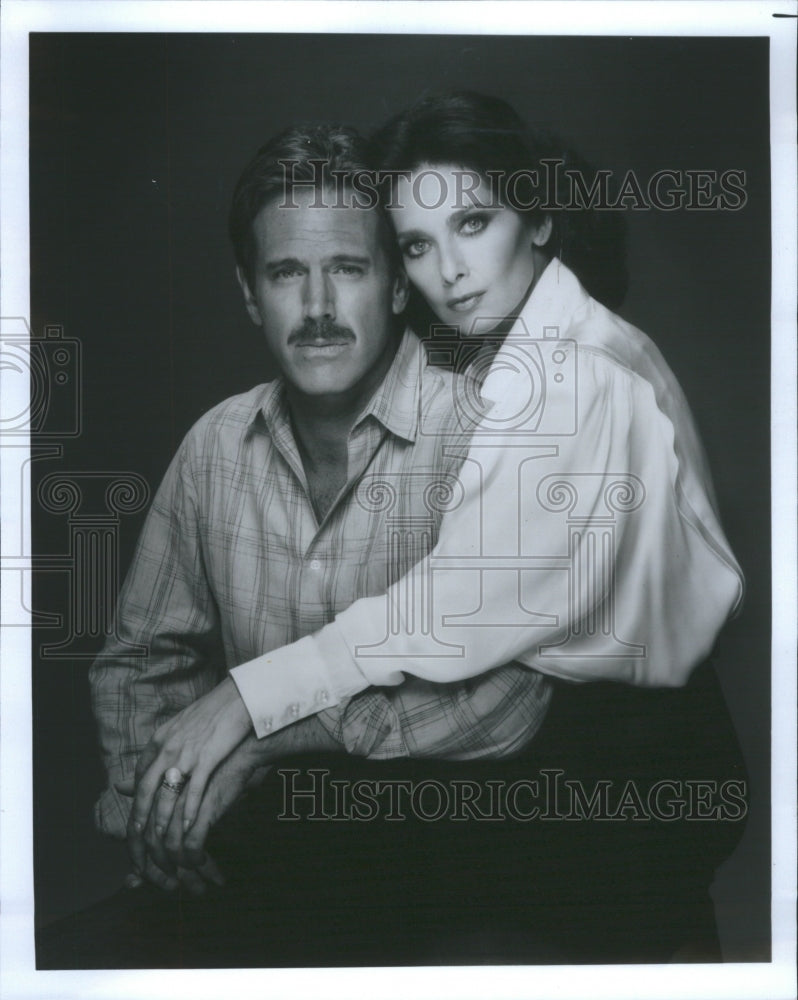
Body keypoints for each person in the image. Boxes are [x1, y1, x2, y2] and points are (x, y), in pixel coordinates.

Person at [129, 91, 745, 870]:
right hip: (595, 744)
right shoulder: (522, 350)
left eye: (473, 223)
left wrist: (248, 705)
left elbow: (452, 604)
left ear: (540, 218)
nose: (448, 273)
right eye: (416, 245)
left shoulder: (573, 378)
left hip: (639, 753)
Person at [45, 122, 552, 967]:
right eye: (287, 274)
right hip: (258, 871)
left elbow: (505, 705)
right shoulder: (215, 447)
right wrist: (167, 817)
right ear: (250, 294)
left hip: (456, 882)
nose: (317, 309)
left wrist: (265, 728)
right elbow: (139, 660)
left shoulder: (482, 437)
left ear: (395, 286)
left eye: (347, 269)